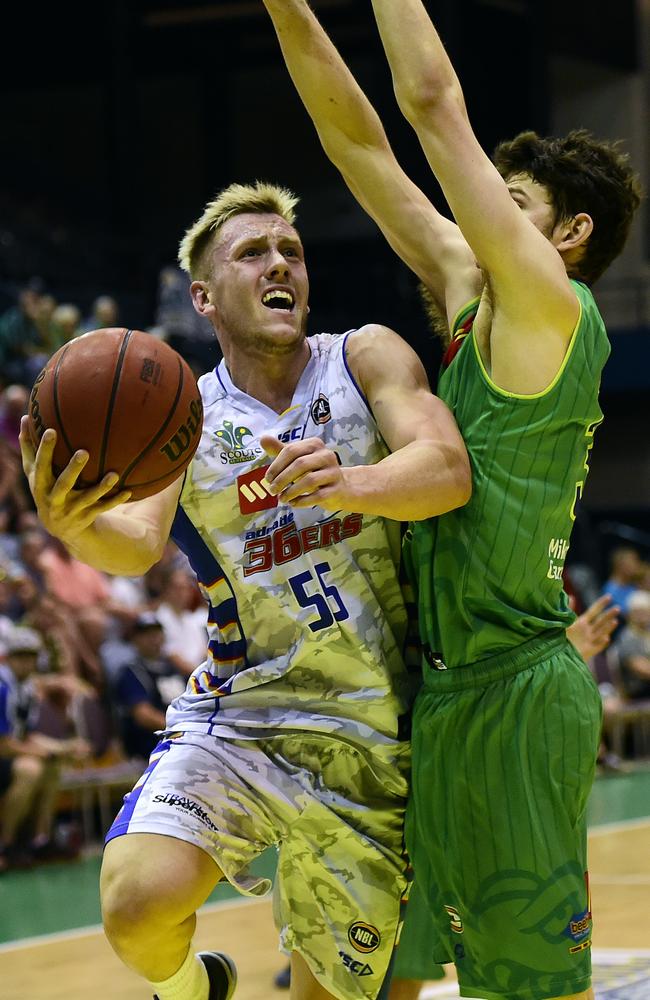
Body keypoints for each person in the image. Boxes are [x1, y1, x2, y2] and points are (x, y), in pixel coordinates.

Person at [261, 3, 642, 999]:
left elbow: (431, 104)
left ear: (567, 232)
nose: (479, 214)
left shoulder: (554, 312)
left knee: (521, 988)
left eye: (506, 200)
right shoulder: (471, 294)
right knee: (384, 966)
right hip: (440, 693)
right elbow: (358, 146)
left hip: (514, 696)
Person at [19, 181, 471, 1000]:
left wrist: (353, 484)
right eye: (253, 253)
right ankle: (196, 988)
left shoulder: (363, 356)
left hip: (373, 738)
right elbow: (133, 544)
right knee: (134, 904)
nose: (280, 265)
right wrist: (70, 522)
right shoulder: (184, 413)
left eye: (291, 252)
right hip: (244, 717)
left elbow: (446, 472)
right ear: (203, 296)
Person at [0, 626, 89, 871]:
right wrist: (49, 751)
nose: (26, 662)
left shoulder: (27, 688)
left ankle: (39, 840)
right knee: (30, 769)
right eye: (20, 656)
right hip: (4, 753)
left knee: (52, 767)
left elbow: (26, 736)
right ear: (9, 657)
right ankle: (5, 844)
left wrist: (65, 747)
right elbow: (4, 745)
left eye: (30, 656)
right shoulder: (2, 687)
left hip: (9, 752)